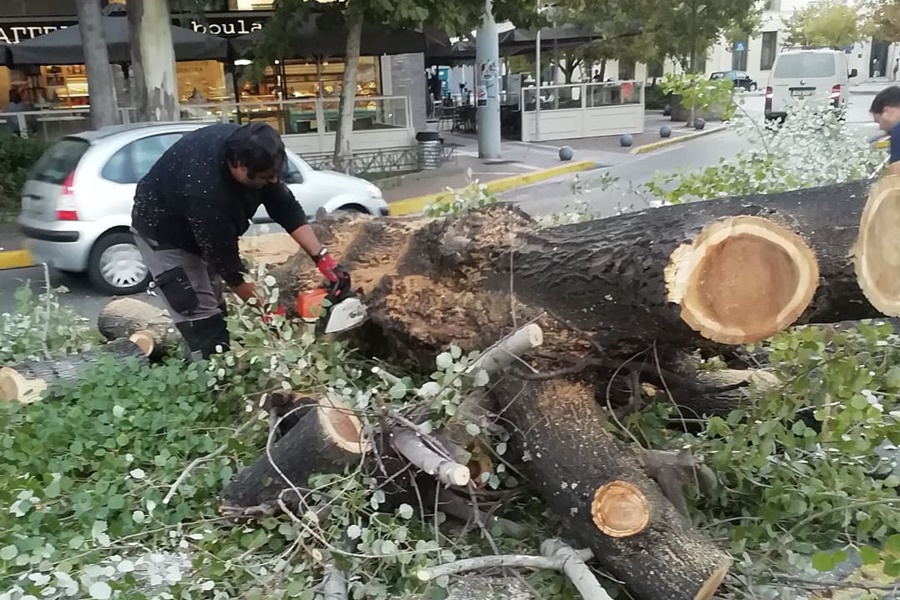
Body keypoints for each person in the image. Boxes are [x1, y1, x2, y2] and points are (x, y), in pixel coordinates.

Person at [131, 122, 350, 360]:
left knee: (217, 307)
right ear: (237, 165)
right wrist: (270, 313)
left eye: (274, 175)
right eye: (266, 177)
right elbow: (231, 269)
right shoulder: (206, 194)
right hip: (164, 234)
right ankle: (210, 384)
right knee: (202, 318)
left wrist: (322, 258)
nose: (272, 180)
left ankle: (199, 362)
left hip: (201, 228)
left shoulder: (255, 151)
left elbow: (284, 206)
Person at [870, 85, 900, 176]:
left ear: (886, 111)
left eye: (879, 122)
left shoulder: (898, 131)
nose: (881, 128)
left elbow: (895, 177)